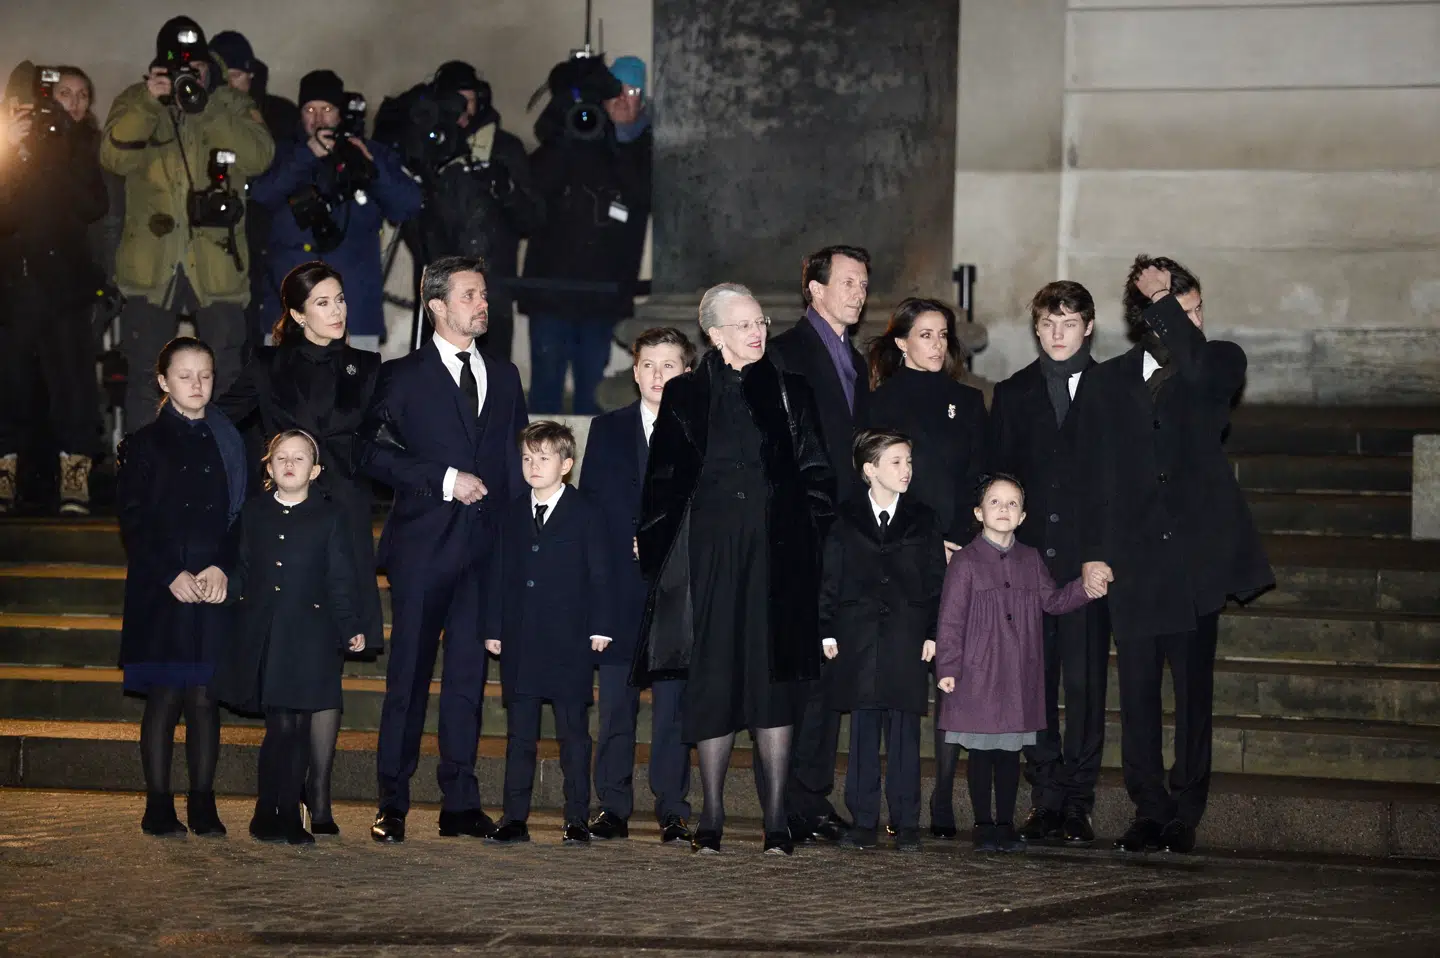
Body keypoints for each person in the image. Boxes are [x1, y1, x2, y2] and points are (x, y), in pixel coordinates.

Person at [1075, 256, 1273, 854]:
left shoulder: (1217, 362)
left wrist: (1167, 306)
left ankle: (1187, 808)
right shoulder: (1106, 381)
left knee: (1192, 694)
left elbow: (1202, 378)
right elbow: (1094, 475)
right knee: (1136, 695)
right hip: (1133, 562)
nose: (1192, 319)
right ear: (1146, 319)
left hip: (1195, 563)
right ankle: (1148, 809)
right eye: (1174, 309)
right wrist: (1094, 554)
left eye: (1194, 309)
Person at [634, 283, 835, 856]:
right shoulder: (685, 395)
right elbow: (663, 484)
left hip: (776, 559)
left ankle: (776, 822)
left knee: (773, 683)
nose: (758, 331)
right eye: (744, 324)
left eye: (761, 321)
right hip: (711, 558)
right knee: (713, 680)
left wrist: (804, 542)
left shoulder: (793, 391)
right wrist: (660, 552)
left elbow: (819, 477)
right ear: (715, 334)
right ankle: (713, 819)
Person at [358, 255, 528, 843]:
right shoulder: (400, 376)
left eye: (484, 294)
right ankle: (393, 800)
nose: (483, 304)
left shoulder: (505, 376)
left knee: (466, 682)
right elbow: (369, 453)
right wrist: (443, 477)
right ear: (436, 305)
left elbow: (514, 465)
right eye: (470, 295)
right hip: (423, 549)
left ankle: (460, 801)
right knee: (407, 678)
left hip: (485, 551)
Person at [214, 261, 385, 825]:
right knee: (288, 661)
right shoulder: (267, 365)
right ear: (294, 313)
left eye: (340, 300)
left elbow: (389, 443)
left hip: (344, 526)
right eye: (323, 303)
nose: (337, 312)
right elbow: (218, 422)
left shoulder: (366, 366)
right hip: (286, 524)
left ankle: (322, 794)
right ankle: (285, 792)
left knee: (327, 664)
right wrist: (155, 443)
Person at [101, 16, 274, 431]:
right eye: (181, 66)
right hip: (151, 265)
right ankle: (145, 479)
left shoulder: (230, 103)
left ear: (209, 67)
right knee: (148, 373)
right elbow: (113, 157)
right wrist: (149, 100)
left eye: (196, 67)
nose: (188, 74)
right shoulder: (137, 99)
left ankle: (224, 478)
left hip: (217, 265)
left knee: (225, 374)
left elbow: (261, 156)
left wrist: (208, 102)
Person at [988, 280, 1110, 847]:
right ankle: (1045, 798)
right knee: (1034, 684)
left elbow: (1126, 485)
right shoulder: (1013, 393)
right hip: (1030, 566)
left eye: (1069, 323)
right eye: (1047, 324)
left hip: (1089, 567)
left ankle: (1079, 801)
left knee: (1084, 687)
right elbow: (1000, 478)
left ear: (1088, 326)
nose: (1058, 334)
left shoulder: (1118, 390)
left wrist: (1103, 555)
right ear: (1036, 329)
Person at [859, 296, 987, 838]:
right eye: (925, 335)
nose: (935, 345)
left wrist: (960, 538)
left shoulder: (969, 401)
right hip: (902, 560)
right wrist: (919, 542)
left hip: (961, 552)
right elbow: (869, 481)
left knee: (956, 677)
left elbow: (981, 474)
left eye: (942, 335)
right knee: (905, 680)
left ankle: (943, 800)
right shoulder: (877, 403)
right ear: (900, 343)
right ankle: (892, 804)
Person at [115, 337, 247, 837]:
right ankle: (157, 801)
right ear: (164, 382)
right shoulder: (144, 444)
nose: (197, 385)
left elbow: (239, 518)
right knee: (165, 696)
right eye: (186, 375)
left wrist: (221, 568)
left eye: (206, 375)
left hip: (211, 583)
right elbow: (134, 519)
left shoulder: (229, 441)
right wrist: (170, 573)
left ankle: (203, 801)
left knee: (205, 697)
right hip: (162, 585)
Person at [934, 474, 1104, 853]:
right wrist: (948, 667)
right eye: (995, 502)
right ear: (979, 512)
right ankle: (982, 823)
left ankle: (1006, 822)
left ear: (1024, 515)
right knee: (981, 753)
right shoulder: (965, 561)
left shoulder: (1031, 559)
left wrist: (1083, 588)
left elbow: (1052, 602)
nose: (1004, 510)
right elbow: (950, 618)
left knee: (1010, 752)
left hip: (1016, 671)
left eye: (1012, 504)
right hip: (978, 671)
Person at [214, 429, 367, 845]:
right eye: (281, 457)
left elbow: (339, 578)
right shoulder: (255, 512)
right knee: (279, 725)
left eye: (299, 459)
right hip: (267, 632)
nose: (289, 464)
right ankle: (269, 812)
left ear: (315, 470)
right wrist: (225, 585)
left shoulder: (329, 516)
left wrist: (350, 625)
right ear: (268, 466)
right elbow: (243, 567)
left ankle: (289, 814)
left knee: (299, 725)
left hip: (311, 636)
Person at [769, 243, 871, 844]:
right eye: (850, 282)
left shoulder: (854, 360)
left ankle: (811, 795)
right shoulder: (785, 354)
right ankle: (790, 801)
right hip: (802, 537)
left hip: (846, 542)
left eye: (863, 283)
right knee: (800, 674)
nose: (859, 292)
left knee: (829, 675)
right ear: (816, 288)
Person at [579, 327, 696, 843]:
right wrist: (623, 540)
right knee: (617, 705)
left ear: (686, 373)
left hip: (677, 586)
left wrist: (667, 541)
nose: (656, 375)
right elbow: (593, 505)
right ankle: (612, 804)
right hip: (620, 586)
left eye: (668, 365)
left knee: (673, 706)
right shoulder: (607, 430)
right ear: (634, 371)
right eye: (648, 364)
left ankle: (672, 805)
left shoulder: (701, 432)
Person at [485, 421, 613, 845]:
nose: (533, 466)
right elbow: (499, 573)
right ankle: (514, 817)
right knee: (520, 734)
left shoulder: (586, 512)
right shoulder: (512, 511)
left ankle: (576, 816)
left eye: (543, 458)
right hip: (521, 638)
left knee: (573, 735)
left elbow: (600, 573)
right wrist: (493, 627)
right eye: (527, 458)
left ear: (566, 465)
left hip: (569, 641)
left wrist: (600, 626)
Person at [819, 430, 946, 852]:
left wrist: (933, 633)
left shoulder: (924, 518)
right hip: (858, 638)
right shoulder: (844, 517)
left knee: (905, 731)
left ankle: (906, 821)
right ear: (869, 470)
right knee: (863, 730)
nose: (906, 470)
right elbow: (830, 577)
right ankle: (864, 819)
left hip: (907, 637)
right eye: (896, 462)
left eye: (909, 461)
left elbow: (934, 581)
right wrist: (826, 628)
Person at [0, 63, 109, 515]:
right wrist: (16, 149)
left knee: (73, 387)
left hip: (67, 287)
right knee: (10, 385)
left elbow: (93, 206)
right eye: (65, 93)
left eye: (83, 95)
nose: (75, 103)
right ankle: (5, 477)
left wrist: (62, 150)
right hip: (17, 284)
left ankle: (75, 481)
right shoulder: (16, 144)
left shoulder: (87, 147)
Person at [248, 70, 421, 353]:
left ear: (340, 114)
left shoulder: (368, 151)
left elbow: (409, 205)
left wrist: (370, 169)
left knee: (353, 397)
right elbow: (261, 196)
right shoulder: (283, 155)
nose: (318, 119)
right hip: (292, 315)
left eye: (327, 109)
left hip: (353, 313)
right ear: (299, 114)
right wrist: (306, 157)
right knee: (287, 396)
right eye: (310, 110)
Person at [380, 61, 541, 361]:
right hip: (441, 295)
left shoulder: (504, 148)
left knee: (490, 386)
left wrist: (503, 187)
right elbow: (405, 215)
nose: (462, 111)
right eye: (453, 102)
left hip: (492, 292)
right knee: (438, 389)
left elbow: (531, 219)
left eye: (468, 100)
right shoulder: (426, 151)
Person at [519, 55, 652, 413]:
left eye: (634, 92)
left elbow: (642, 195)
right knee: (545, 389)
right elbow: (533, 193)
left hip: (602, 295)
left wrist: (619, 143)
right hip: (550, 292)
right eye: (617, 94)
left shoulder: (642, 150)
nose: (625, 101)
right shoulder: (570, 139)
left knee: (592, 394)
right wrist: (568, 134)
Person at [207, 30, 300, 347]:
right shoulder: (199, 114)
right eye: (223, 77)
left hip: (267, 244)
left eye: (237, 76)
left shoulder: (279, 115)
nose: (231, 85)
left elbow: (283, 173)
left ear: (251, 75)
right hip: (216, 245)